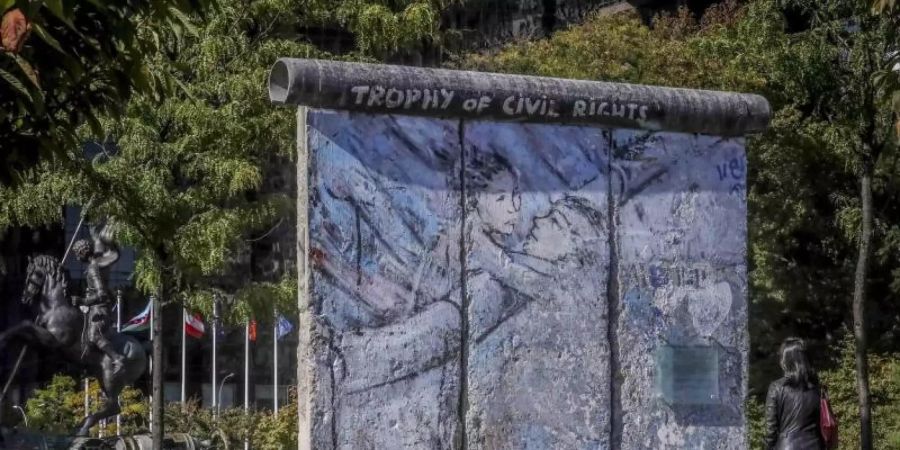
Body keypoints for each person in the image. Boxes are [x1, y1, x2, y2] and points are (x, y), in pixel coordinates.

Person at [70, 221, 125, 374]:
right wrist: (95, 235)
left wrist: (83, 301)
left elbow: (101, 294)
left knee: (93, 336)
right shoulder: (97, 262)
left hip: (99, 309)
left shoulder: (93, 268)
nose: (76, 257)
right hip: (94, 308)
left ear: (81, 254)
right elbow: (100, 249)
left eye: (77, 254)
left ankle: (116, 358)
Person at [765, 337, 825, 450]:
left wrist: (768, 447)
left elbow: (771, 429)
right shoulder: (817, 387)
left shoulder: (777, 387)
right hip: (815, 445)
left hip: (787, 446)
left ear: (785, 360)